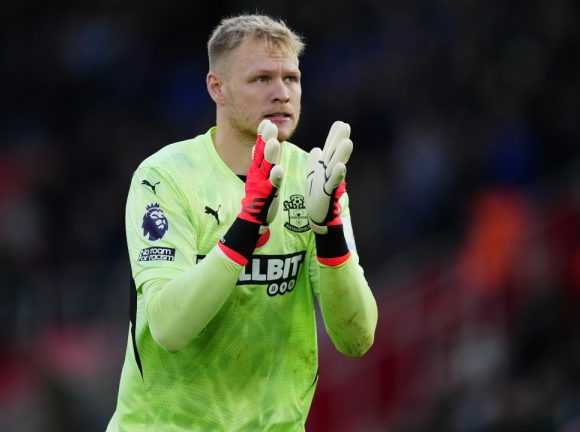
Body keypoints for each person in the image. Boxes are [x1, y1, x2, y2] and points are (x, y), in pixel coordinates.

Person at [106, 14, 378, 431]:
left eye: (292, 78)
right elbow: (168, 328)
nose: (282, 93)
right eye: (261, 79)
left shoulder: (314, 177)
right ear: (218, 87)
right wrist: (247, 226)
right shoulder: (165, 178)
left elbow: (356, 338)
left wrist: (329, 232)